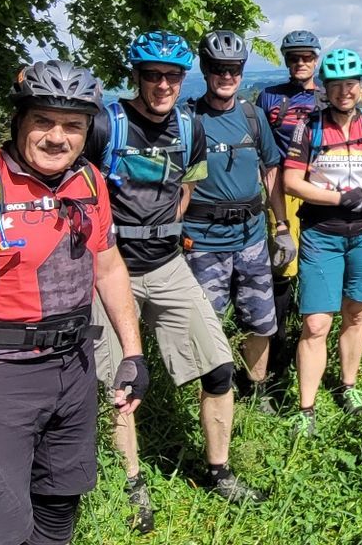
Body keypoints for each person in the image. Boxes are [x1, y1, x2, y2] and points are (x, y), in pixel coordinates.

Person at [0, 60, 148, 545]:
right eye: (43, 121)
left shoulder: (90, 181)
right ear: (18, 121)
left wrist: (133, 352)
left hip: (74, 367)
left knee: (59, 506)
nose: (57, 137)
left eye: (73, 125)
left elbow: (108, 267)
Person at [91, 31, 263, 535]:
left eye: (171, 76)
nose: (163, 85)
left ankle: (219, 472)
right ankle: (130, 482)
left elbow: (186, 186)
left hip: (167, 264)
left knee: (219, 367)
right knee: (117, 383)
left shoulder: (191, 127)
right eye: (152, 75)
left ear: (183, 78)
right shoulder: (105, 125)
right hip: (109, 269)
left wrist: (164, 230)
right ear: (136, 76)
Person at [282, 48, 362, 435]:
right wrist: (338, 199)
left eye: (351, 84)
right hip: (322, 234)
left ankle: (348, 387)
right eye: (335, 85)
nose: (343, 92)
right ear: (325, 88)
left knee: (356, 313)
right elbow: (290, 182)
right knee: (317, 323)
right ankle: (306, 408)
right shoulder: (309, 128)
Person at [183, 31, 289, 411]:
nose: (226, 76)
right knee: (206, 326)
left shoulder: (252, 115)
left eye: (233, 69)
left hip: (251, 238)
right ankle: (215, 394)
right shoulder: (189, 119)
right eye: (218, 68)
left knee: (261, 322)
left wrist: (281, 226)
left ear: (242, 71)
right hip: (202, 242)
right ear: (205, 69)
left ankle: (255, 392)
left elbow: (271, 171)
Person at [252, 29, 322, 391]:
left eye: (307, 57)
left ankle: (309, 339)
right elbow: (261, 147)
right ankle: (277, 350)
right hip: (279, 191)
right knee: (282, 268)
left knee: (315, 266)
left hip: (318, 189)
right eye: (294, 57)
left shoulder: (327, 94)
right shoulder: (269, 96)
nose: (300, 63)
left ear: (316, 59)